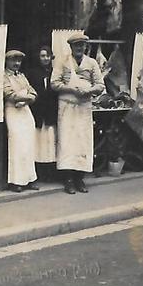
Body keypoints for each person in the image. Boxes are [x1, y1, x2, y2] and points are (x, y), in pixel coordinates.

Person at [51, 31, 105, 194]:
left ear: (86, 46)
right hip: (67, 106)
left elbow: (100, 85)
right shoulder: (62, 62)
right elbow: (54, 83)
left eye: (82, 45)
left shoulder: (92, 63)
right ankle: (68, 179)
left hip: (84, 107)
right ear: (71, 47)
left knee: (82, 142)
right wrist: (71, 89)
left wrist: (88, 91)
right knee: (67, 143)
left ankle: (79, 178)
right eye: (76, 45)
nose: (79, 48)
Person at [3, 49, 40, 193]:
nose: (16, 63)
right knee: (17, 145)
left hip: (25, 112)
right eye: (13, 60)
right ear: (7, 61)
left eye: (18, 61)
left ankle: (29, 179)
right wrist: (27, 97)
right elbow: (9, 95)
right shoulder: (4, 76)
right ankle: (16, 181)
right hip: (13, 111)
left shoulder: (22, 76)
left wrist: (26, 99)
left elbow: (34, 92)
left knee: (29, 145)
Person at [27, 45, 58, 182]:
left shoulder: (56, 72)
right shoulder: (32, 73)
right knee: (39, 142)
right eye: (42, 56)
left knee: (50, 142)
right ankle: (39, 172)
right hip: (38, 111)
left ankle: (51, 171)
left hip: (51, 112)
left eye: (47, 55)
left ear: (51, 57)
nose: (45, 58)